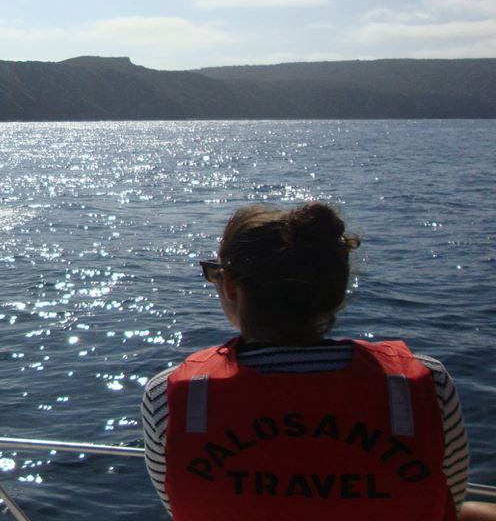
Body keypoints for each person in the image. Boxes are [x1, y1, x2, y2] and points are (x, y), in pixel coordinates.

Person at [141, 201, 495, 520]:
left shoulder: (169, 397)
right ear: (337, 288)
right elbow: (446, 494)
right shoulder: (424, 384)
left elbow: (180, 504)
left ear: (232, 288)